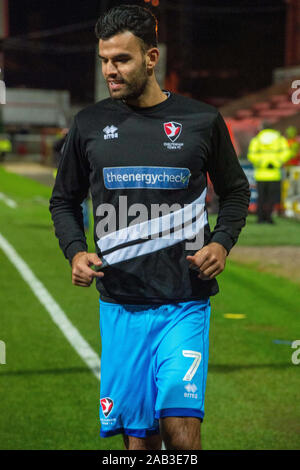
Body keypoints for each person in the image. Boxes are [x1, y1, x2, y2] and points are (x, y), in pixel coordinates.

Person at [49, 4, 250, 451]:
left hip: (184, 302)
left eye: (121, 59)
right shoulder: (89, 124)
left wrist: (222, 242)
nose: (109, 71)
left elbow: (236, 191)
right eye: (104, 60)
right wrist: (74, 251)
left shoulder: (202, 121)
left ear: (151, 58)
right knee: (139, 446)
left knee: (181, 435)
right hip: (120, 306)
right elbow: (64, 200)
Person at [247, 123, 291, 224]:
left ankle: (260, 218)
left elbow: (251, 155)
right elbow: (286, 152)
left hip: (260, 174)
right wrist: (276, 162)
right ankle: (269, 218)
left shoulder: (257, 140)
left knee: (261, 197)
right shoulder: (279, 139)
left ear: (262, 128)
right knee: (271, 198)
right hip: (275, 174)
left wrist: (262, 162)